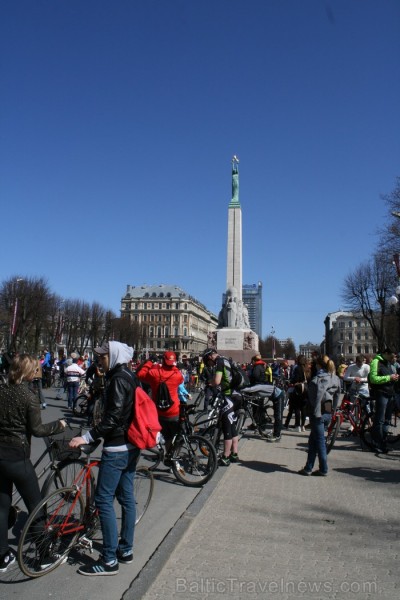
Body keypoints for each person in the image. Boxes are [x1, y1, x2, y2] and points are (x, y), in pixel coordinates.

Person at [69, 340, 139, 576]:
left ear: (115, 356)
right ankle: (125, 550)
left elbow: (113, 418)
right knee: (127, 498)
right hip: (130, 445)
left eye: (103, 356)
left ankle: (109, 560)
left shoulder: (118, 379)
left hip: (117, 447)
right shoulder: (127, 375)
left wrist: (88, 437)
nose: (99, 359)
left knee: (104, 500)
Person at [0, 354, 66, 572]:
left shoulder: (1, 390)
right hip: (18, 457)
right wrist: (59, 425)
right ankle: (45, 553)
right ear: (29, 372)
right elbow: (37, 430)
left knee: (1, 506)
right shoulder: (29, 397)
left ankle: (2, 556)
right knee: (36, 506)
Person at [137, 351, 183, 461]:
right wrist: (173, 368)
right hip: (174, 411)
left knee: (166, 435)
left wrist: (150, 363)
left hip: (159, 411)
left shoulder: (154, 373)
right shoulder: (177, 375)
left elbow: (140, 374)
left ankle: (166, 454)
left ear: (163, 360)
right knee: (175, 435)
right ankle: (173, 456)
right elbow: (180, 378)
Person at [298, 355, 340, 477]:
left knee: (320, 441)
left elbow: (317, 397)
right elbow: (338, 394)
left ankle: (323, 468)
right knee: (313, 441)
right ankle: (308, 467)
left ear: (318, 366)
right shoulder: (335, 378)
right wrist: (334, 410)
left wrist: (315, 413)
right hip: (328, 411)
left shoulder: (319, 379)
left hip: (318, 413)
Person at [201, 348, 241, 466]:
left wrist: (210, 383)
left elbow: (217, 381)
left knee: (226, 428)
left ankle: (225, 457)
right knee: (232, 426)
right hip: (237, 396)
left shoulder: (219, 362)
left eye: (208, 362)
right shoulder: (226, 359)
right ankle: (234, 454)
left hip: (229, 397)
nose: (210, 365)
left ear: (209, 357)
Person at [369, 348, 399, 453]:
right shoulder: (376, 362)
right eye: (392, 356)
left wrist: (394, 378)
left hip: (390, 393)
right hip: (382, 393)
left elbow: (389, 377)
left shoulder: (388, 363)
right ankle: (376, 443)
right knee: (380, 420)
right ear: (386, 353)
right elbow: (373, 378)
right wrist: (389, 377)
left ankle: (383, 442)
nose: (393, 358)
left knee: (387, 421)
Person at [285, 354, 309, 432]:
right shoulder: (307, 368)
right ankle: (303, 426)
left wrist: (290, 381)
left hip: (299, 389)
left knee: (297, 408)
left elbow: (296, 379)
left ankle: (297, 425)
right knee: (304, 408)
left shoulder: (297, 368)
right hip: (306, 389)